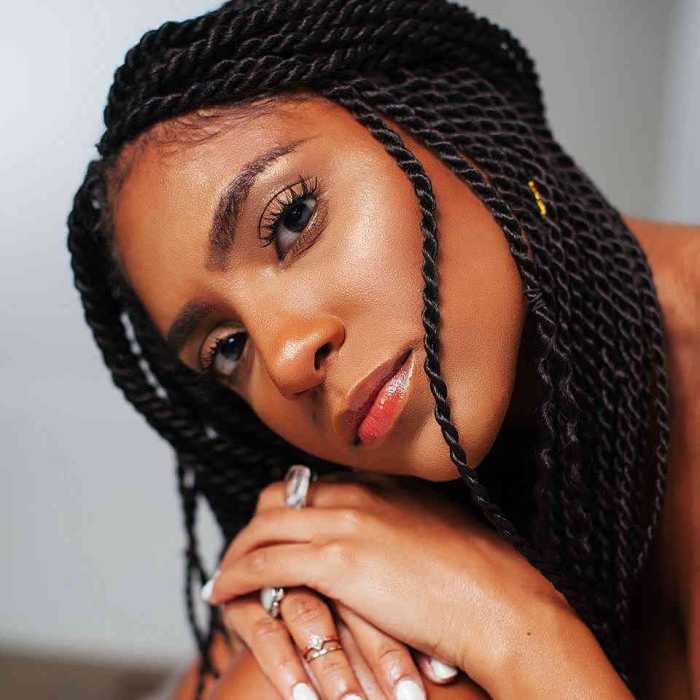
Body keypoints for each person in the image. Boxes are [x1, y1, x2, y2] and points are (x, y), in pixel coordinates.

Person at [66, 0, 700, 698]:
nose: (286, 360)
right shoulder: (389, 512)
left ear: (452, 118)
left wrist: (509, 627)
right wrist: (295, 574)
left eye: (292, 219)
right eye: (227, 346)